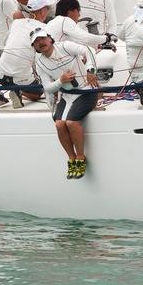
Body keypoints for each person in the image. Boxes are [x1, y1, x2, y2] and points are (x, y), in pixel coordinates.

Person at [31, 27, 99, 180]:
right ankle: (71, 158)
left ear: (50, 39)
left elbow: (88, 50)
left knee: (71, 123)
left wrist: (91, 70)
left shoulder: (65, 46)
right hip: (66, 95)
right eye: (36, 41)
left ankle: (81, 158)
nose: (40, 42)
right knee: (59, 125)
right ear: (34, 47)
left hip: (86, 91)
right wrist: (61, 81)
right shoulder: (40, 63)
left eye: (42, 38)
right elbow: (48, 88)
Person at [0, 0, 51, 107]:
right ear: (42, 11)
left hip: (0, 75)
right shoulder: (45, 28)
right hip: (22, 78)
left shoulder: (17, 22)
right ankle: (17, 90)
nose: (48, 11)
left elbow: (5, 41)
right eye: (47, 8)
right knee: (38, 94)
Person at [47, 0, 114, 49]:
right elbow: (86, 38)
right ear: (71, 11)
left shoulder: (52, 22)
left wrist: (100, 45)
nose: (79, 15)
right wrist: (107, 38)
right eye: (78, 11)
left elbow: (79, 42)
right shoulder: (65, 20)